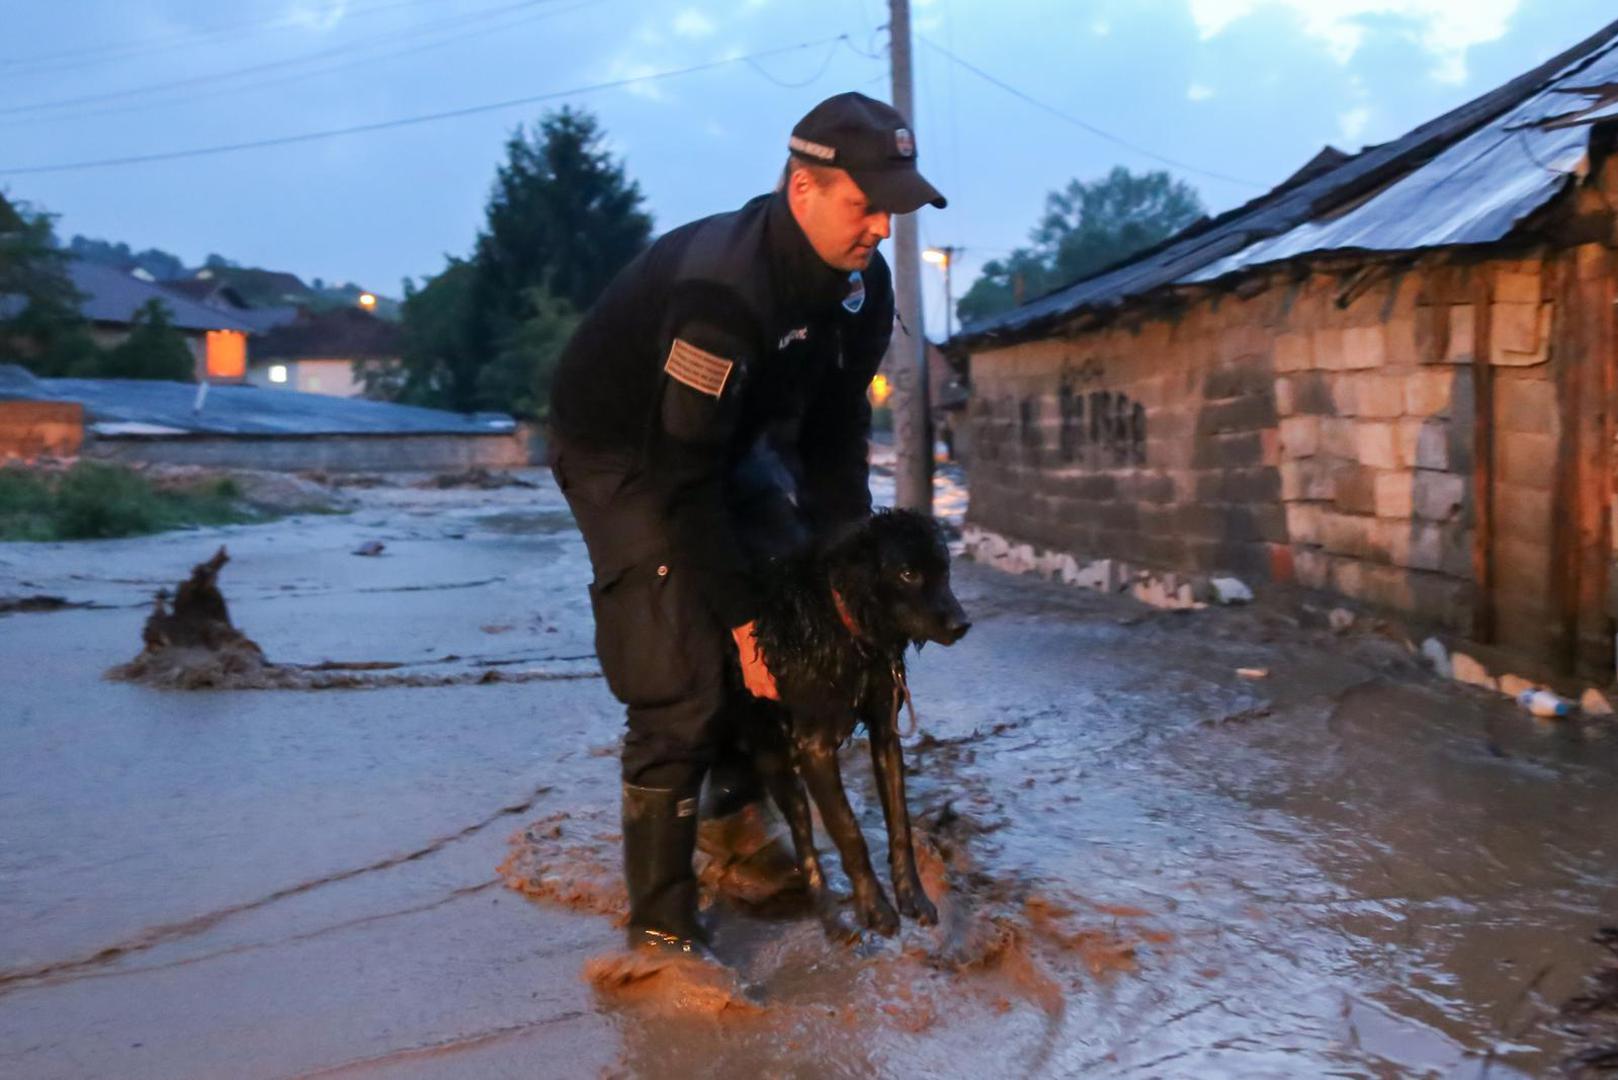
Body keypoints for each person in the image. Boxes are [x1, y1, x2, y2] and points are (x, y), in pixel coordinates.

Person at [547, 91, 946, 957]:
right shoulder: (722, 297)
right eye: (864, 205)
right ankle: (661, 924)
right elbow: (682, 480)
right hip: (627, 452)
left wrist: (847, 578)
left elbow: (838, 437)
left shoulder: (859, 288)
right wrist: (743, 625)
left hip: (739, 444)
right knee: (680, 664)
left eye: (892, 209)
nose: (880, 227)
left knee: (801, 611)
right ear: (803, 188)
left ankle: (731, 821)